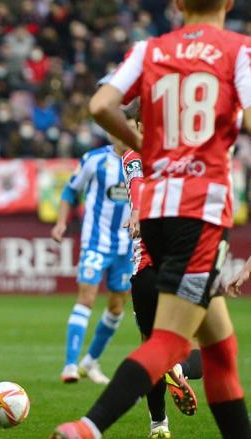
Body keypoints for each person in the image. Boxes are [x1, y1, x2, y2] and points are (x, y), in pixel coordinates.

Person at [53, 1, 251, 438]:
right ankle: (88, 427)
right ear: (229, 3)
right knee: (170, 342)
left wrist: (147, 149)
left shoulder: (149, 50)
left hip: (156, 215)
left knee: (221, 350)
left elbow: (102, 104)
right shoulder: (239, 51)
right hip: (198, 213)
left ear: (178, 4)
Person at [119, 105, 202, 439]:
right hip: (183, 263)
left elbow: (138, 183)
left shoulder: (132, 155)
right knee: (199, 348)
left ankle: (159, 426)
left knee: (150, 347)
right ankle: (178, 368)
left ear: (141, 124)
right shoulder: (182, 156)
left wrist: (138, 211)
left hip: (146, 268)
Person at [51, 125, 133, 385]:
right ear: (111, 132)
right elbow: (70, 190)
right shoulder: (94, 159)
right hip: (96, 243)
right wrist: (61, 222)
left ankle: (91, 361)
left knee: (118, 305)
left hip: (129, 246)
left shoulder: (143, 161)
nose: (122, 133)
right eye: (119, 129)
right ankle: (70, 365)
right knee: (86, 297)